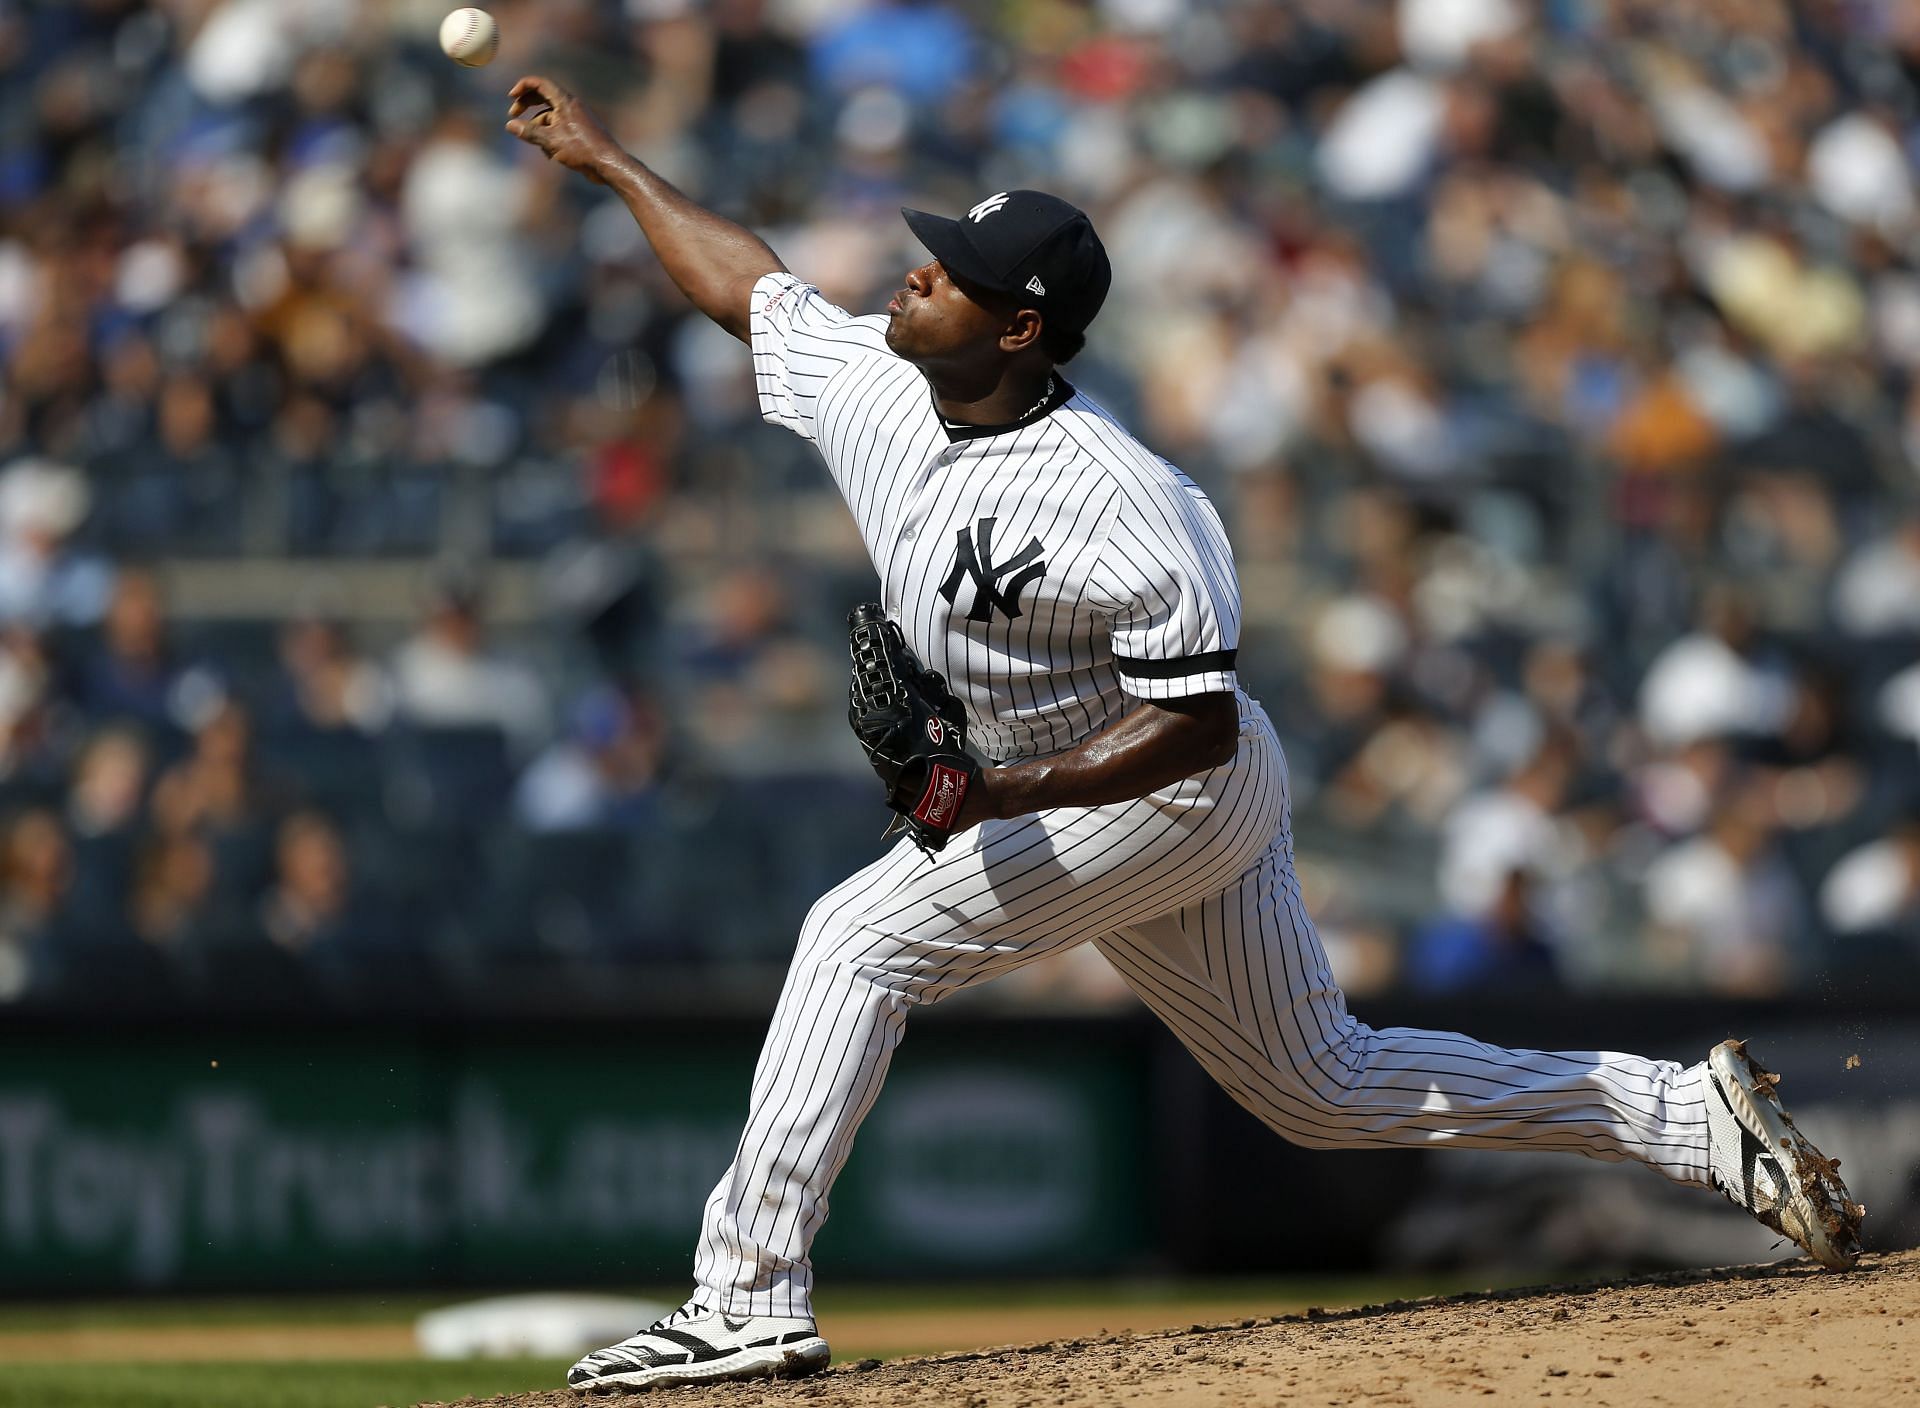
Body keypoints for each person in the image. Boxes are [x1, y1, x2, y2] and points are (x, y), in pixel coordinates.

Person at [503, 74, 1864, 1395]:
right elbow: (749, 285)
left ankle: (744, 1303)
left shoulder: (1125, 501)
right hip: (1072, 784)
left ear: (1023, 330)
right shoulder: (874, 380)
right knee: (1319, 1088)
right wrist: (613, 161)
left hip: (1160, 785)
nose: (914, 275)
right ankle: (1690, 1119)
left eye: (953, 270)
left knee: (853, 942)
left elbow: (1195, 729)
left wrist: (992, 793)